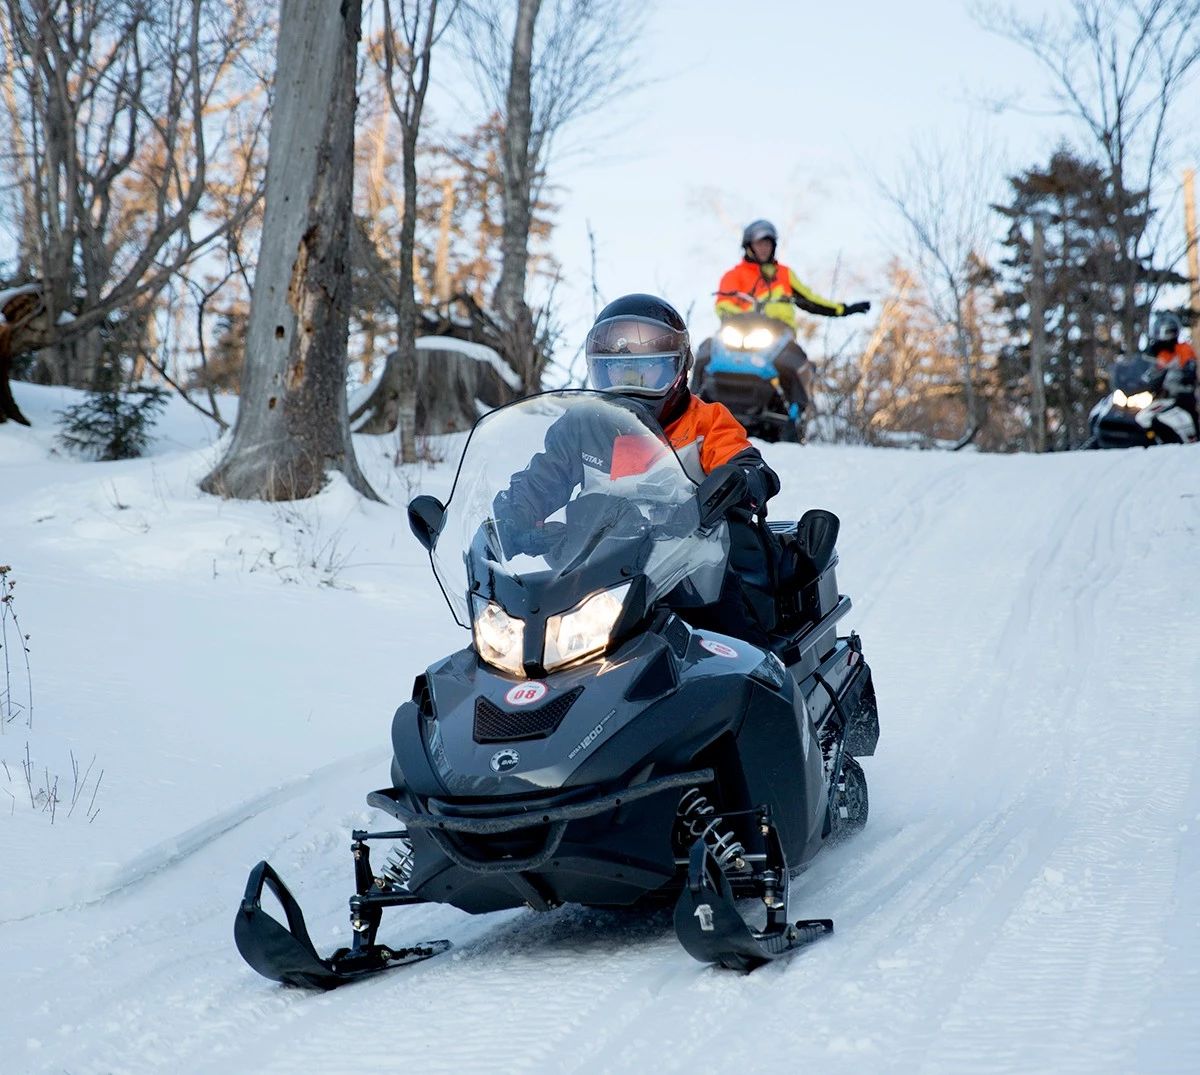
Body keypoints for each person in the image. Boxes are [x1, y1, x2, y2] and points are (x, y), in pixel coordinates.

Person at [495, 293, 782, 646]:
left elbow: (745, 464)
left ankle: (766, 682)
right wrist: (510, 517)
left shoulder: (705, 420)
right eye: (617, 370)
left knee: (735, 648)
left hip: (691, 572)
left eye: (648, 370)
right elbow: (541, 480)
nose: (631, 383)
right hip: (598, 572)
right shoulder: (583, 424)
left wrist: (739, 481)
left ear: (679, 369)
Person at [695, 219, 870, 420]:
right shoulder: (734, 275)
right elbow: (723, 303)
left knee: (795, 358)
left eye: (768, 244)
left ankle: (797, 415)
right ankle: (689, 408)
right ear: (749, 246)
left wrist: (844, 309)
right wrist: (736, 316)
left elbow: (811, 300)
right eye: (759, 244)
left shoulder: (785, 274)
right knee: (705, 351)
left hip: (778, 333)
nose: (764, 248)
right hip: (739, 331)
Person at [1145, 311, 1198, 432]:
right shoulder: (1153, 351)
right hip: (1155, 394)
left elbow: (1190, 364)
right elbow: (1144, 368)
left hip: (1179, 393)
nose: (1167, 335)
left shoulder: (1183, 348)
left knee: (1189, 409)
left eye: (1170, 331)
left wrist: (1189, 371)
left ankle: (1194, 437)